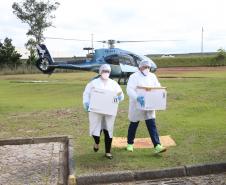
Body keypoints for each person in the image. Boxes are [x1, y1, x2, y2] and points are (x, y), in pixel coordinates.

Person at [83, 64, 124, 159]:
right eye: (104, 71)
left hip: (109, 110)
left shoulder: (113, 83)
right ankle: (96, 142)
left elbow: (120, 94)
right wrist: (86, 103)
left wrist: (120, 97)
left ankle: (108, 152)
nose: (106, 73)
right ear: (100, 72)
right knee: (96, 128)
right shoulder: (93, 83)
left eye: (108, 71)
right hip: (96, 110)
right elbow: (86, 93)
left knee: (108, 130)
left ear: (110, 72)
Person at [126, 60, 166, 154]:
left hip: (149, 104)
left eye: (148, 67)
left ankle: (157, 145)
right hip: (137, 104)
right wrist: (137, 97)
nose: (146, 69)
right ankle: (130, 144)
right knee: (134, 123)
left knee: (151, 124)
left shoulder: (152, 76)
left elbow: (157, 87)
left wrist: (161, 92)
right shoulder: (134, 76)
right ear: (140, 67)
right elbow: (129, 89)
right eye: (144, 67)